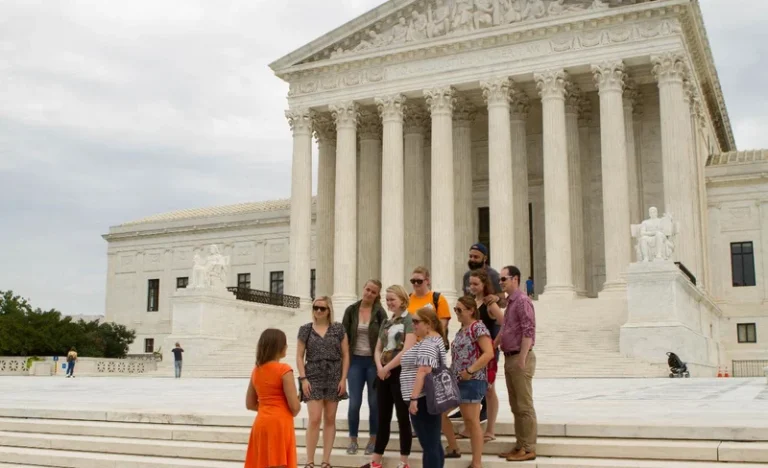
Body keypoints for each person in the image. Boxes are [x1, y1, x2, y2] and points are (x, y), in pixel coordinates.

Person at [362, 285, 415, 468]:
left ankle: (404, 461)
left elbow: (407, 349)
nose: (389, 302)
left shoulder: (410, 320)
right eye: (387, 299)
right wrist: (379, 367)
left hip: (400, 373)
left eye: (392, 299)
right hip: (383, 372)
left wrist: (388, 367)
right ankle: (376, 460)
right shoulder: (387, 322)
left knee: (402, 417)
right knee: (382, 416)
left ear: (402, 299)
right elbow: (378, 347)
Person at [297, 297, 350, 468]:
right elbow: (299, 355)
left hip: (334, 375)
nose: (318, 311)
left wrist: (343, 379)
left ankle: (326, 461)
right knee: (314, 418)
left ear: (329, 310)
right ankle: (310, 461)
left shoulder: (338, 329)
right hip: (312, 375)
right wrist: (303, 379)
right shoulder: (305, 329)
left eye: (322, 308)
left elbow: (346, 355)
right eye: (315, 308)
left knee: (329, 418)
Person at [443, 296, 495, 468]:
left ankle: (477, 463)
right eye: (455, 309)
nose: (456, 313)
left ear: (471, 310)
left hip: (473, 380)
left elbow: (488, 353)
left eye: (459, 309)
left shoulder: (477, 327)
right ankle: (453, 447)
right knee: (440, 412)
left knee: (471, 421)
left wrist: (470, 370)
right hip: (457, 380)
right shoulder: (461, 329)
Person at [454, 243, 501, 422]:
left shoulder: (494, 276)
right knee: (468, 380)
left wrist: (495, 342)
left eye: (476, 256)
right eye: (470, 256)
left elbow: (503, 310)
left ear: (484, 257)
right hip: (470, 344)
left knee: (488, 384)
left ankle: (485, 413)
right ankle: (465, 408)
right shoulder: (467, 276)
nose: (472, 259)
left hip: (487, 342)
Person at [496, 265, 538, 462]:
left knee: (524, 405)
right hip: (509, 357)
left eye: (504, 279)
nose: (501, 282)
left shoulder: (522, 301)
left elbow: (528, 329)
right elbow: (506, 329)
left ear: (516, 279)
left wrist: (522, 358)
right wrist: (493, 345)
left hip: (519, 358)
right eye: (500, 279)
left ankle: (528, 447)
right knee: (515, 405)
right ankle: (520, 445)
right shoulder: (510, 303)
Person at [341, 280, 388, 455]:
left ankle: (373, 439)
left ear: (377, 295)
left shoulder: (380, 313)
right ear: (363, 289)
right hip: (355, 362)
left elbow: (386, 337)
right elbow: (343, 337)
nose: (369, 294)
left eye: (373, 292)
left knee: (374, 403)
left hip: (373, 363)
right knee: (354, 403)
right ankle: (353, 439)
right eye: (367, 289)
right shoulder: (351, 310)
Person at [244, 329, 301, 468]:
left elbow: (250, 404)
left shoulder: (256, 370)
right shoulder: (284, 370)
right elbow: (294, 408)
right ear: (280, 347)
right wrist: (300, 397)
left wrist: (267, 407)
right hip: (279, 424)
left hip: (261, 424)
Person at [400, 306, 448, 468]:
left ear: (428, 324)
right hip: (424, 398)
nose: (413, 325)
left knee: (429, 444)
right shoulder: (435, 339)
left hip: (422, 399)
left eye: (416, 322)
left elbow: (423, 371)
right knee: (433, 443)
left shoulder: (428, 343)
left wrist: (413, 398)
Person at [407, 267, 451, 340]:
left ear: (427, 281)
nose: (416, 283)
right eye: (413, 281)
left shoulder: (439, 299)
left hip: (430, 343)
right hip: (410, 343)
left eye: (419, 281)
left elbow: (442, 327)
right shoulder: (408, 299)